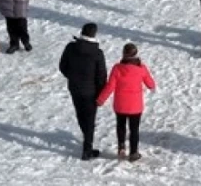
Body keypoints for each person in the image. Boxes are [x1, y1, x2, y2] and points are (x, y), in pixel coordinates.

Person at [96, 43, 156, 162]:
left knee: (121, 126)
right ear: (135, 54)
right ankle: (133, 152)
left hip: (120, 105)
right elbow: (151, 84)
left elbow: (110, 86)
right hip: (135, 106)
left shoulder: (117, 68)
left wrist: (100, 99)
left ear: (123, 54)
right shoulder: (141, 68)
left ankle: (121, 147)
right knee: (134, 129)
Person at [59, 22, 108, 160]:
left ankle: (86, 137)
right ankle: (87, 148)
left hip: (74, 87)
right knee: (90, 119)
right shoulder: (97, 53)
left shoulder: (70, 47)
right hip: (91, 91)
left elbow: (63, 66)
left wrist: (73, 77)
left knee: (80, 114)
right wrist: (100, 92)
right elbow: (101, 75)